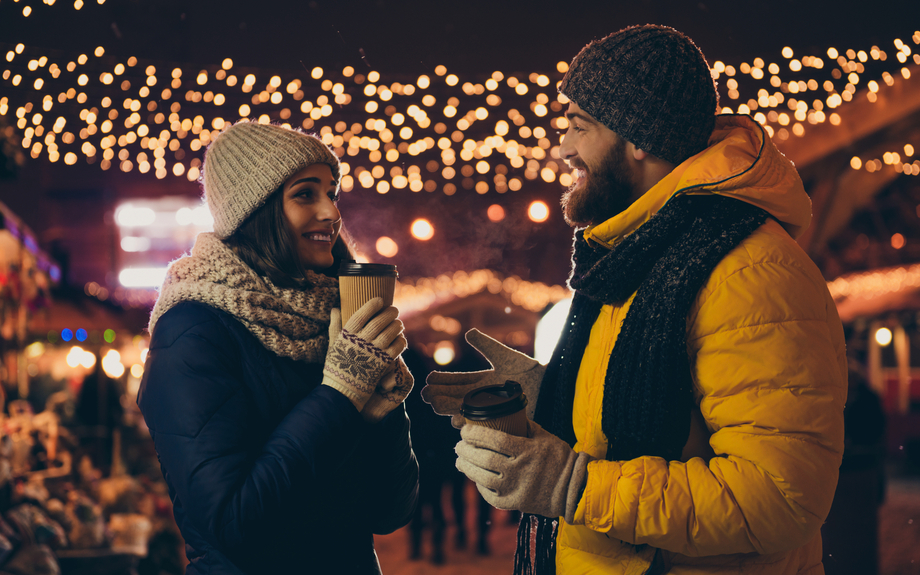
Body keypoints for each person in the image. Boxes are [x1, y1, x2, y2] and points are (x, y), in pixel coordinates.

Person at [423, 24, 847, 575]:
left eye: (579, 126)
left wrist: (575, 486)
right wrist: (554, 395)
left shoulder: (748, 270)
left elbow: (778, 498)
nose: (563, 147)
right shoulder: (638, 252)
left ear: (638, 136)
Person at [137, 120, 418, 574]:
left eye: (332, 192)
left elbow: (390, 512)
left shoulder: (329, 318)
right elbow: (234, 523)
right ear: (255, 211)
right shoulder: (193, 328)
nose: (331, 211)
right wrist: (341, 393)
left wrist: (379, 414)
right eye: (306, 194)